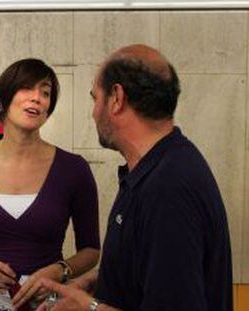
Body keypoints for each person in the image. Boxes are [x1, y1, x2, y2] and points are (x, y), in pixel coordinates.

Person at [36, 44, 233, 311]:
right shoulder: (152, 170)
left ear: (116, 98)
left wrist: (89, 307)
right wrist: (97, 281)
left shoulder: (168, 188)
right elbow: (154, 273)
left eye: (95, 99)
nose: (93, 113)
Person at [0, 58, 101, 311]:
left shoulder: (73, 168)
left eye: (45, 93)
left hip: (48, 303)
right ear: (3, 100)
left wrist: (60, 270)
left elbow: (90, 249)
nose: (37, 98)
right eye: (27, 89)